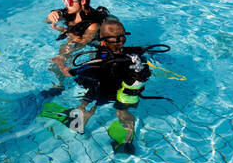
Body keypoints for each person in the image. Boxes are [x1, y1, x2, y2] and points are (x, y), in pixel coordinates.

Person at [57, 19, 162, 152]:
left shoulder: (97, 62)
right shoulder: (133, 56)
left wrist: (60, 62)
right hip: (125, 93)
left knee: (85, 103)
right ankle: (127, 143)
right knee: (123, 113)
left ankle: (79, 125)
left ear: (102, 41)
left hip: (101, 91)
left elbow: (69, 73)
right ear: (124, 40)